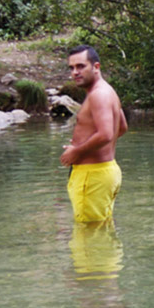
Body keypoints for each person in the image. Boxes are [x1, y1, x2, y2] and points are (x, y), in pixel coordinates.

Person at [60, 45, 127, 223]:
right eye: (71, 68)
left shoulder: (99, 95)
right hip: (104, 172)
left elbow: (106, 134)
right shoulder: (108, 91)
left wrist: (77, 151)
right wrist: (86, 143)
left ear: (96, 67)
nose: (75, 72)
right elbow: (121, 127)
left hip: (92, 175)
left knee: (88, 233)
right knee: (101, 229)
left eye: (81, 66)